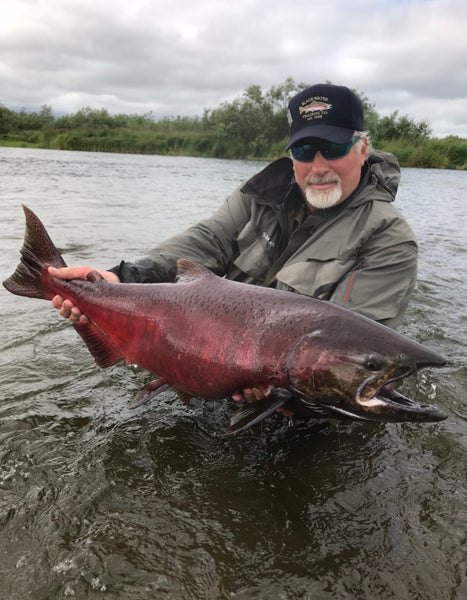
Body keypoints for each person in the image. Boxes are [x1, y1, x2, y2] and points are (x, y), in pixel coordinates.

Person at [50, 83, 418, 403]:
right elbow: (208, 240)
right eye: (305, 152)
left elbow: (353, 359)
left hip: (300, 400)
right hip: (217, 361)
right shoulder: (260, 194)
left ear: (362, 148)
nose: (318, 166)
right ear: (291, 156)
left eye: (333, 148)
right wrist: (118, 278)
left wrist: (274, 387)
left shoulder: (388, 238)